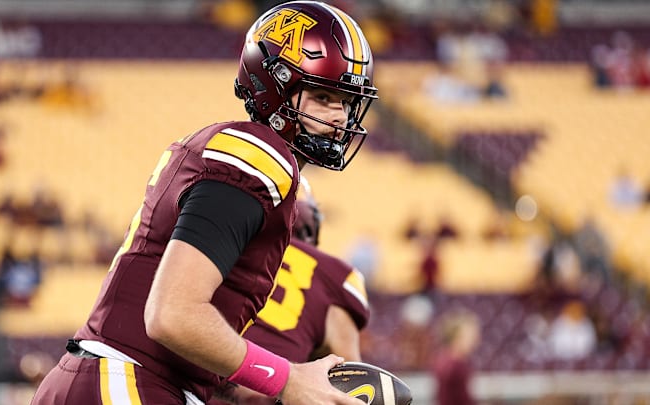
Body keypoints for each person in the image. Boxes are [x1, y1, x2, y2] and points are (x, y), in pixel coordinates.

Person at [30, 2, 378, 405]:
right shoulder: (260, 155)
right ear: (276, 85)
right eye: (322, 96)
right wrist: (288, 379)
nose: (339, 116)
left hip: (120, 376)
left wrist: (262, 388)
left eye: (346, 101)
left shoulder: (244, 157)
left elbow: (186, 333)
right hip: (125, 378)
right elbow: (172, 315)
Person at [210, 177, 370, 404]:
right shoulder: (336, 276)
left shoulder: (224, 242)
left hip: (201, 382)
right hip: (273, 392)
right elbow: (352, 381)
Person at [432, 309, 480, 405]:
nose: (475, 340)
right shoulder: (455, 366)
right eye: (470, 336)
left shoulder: (445, 361)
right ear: (457, 337)